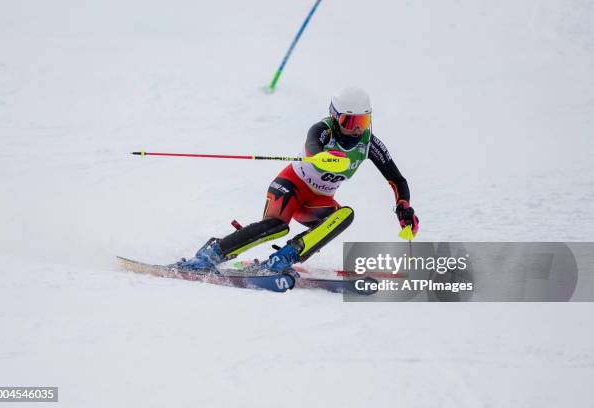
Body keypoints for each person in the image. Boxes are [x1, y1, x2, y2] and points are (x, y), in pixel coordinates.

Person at [176, 87, 419, 275]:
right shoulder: (323, 129)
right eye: (350, 122)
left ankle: (283, 258)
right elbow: (313, 145)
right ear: (335, 117)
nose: (356, 130)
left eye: (362, 122)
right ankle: (209, 256)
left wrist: (403, 206)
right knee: (276, 226)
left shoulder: (369, 143)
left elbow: (397, 178)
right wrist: (324, 156)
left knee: (344, 214)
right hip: (290, 187)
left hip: (317, 202)